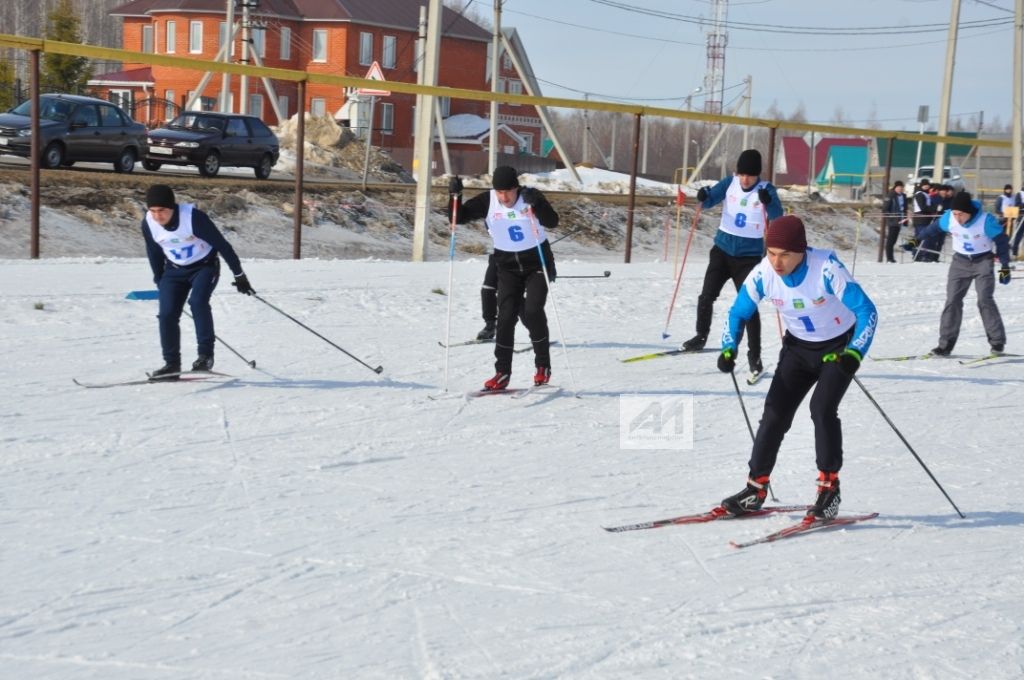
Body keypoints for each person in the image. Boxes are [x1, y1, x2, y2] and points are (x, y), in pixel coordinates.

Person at [715, 215, 878, 520]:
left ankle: (829, 489)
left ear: (801, 251)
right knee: (774, 413)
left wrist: (854, 352)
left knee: (821, 409)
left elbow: (867, 311)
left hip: (837, 349)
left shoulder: (826, 268)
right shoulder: (764, 272)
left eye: (785, 255)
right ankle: (755, 488)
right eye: (772, 253)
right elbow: (738, 312)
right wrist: (729, 346)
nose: (777, 262)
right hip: (798, 349)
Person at [448, 166, 558, 390]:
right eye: (499, 192)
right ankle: (502, 373)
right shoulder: (488, 200)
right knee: (506, 318)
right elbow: (458, 217)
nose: (504, 197)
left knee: (532, 311)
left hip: (537, 262)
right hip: (506, 266)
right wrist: (455, 196)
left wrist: (538, 203)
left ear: (516, 188)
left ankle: (542, 365)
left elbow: (552, 221)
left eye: (508, 192)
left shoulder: (529, 197)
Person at [680, 149, 784, 375]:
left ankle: (754, 355)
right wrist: (703, 196)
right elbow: (708, 201)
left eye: (750, 175)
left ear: (758, 175)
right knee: (707, 295)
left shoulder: (766, 189)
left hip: (748, 258)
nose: (745, 179)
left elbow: (778, 217)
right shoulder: (729, 183)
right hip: (722, 250)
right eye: (742, 174)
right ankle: (700, 336)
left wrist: (770, 203)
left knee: (748, 307)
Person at [141, 184, 255, 379]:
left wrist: (239, 275)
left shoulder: (193, 218)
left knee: (197, 302)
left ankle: (205, 357)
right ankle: (171, 365)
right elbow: (154, 252)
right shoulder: (148, 223)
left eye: (162, 210)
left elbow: (222, 245)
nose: (157, 216)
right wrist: (159, 279)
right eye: (152, 211)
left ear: (172, 208)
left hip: (204, 267)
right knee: (167, 314)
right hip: (174, 270)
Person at [915, 191, 1011, 356]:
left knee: (984, 299)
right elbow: (932, 229)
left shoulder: (985, 221)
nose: (958, 218)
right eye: (955, 213)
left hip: (983, 261)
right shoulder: (949, 218)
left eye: (961, 214)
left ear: (970, 212)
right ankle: (945, 345)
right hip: (960, 262)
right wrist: (915, 239)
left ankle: (997, 343)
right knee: (952, 300)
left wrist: (1004, 266)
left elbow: (1001, 242)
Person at [882, 180, 907, 263]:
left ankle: (891, 257)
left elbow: (905, 208)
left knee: (894, 239)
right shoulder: (890, 195)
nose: (900, 189)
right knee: (891, 239)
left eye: (901, 188)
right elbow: (885, 209)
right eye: (899, 187)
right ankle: (889, 258)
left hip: (900, 220)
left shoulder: (903, 196)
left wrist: (905, 219)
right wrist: (890, 217)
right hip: (893, 220)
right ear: (895, 187)